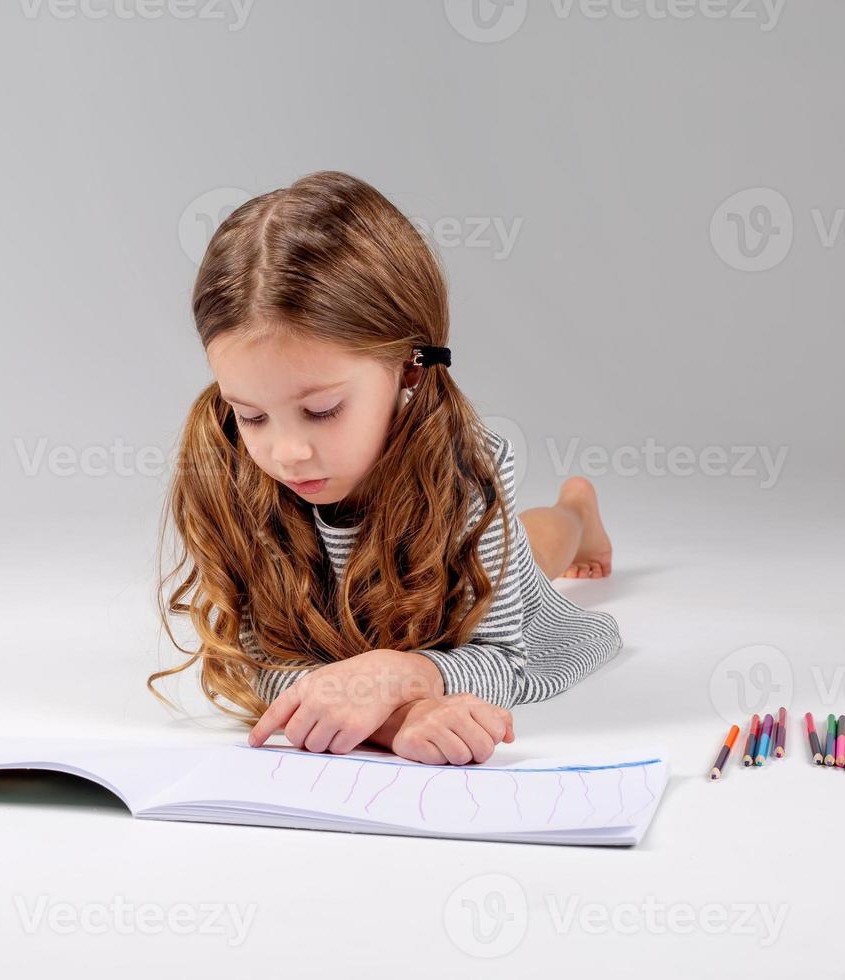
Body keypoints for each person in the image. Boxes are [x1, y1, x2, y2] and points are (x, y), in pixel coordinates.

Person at [150, 171, 620, 766]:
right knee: (524, 548)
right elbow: (255, 661)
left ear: (409, 370)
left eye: (321, 410)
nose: (287, 452)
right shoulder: (227, 463)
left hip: (451, 583)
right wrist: (398, 716)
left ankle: (578, 510)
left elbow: (505, 659)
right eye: (252, 414)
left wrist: (397, 671)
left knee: (531, 559)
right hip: (377, 621)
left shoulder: (461, 476)